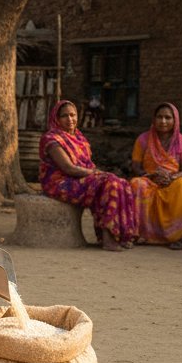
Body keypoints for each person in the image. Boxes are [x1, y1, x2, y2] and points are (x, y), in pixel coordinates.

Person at [39, 100, 138, 250]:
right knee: (109, 183)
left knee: (121, 183)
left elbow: (87, 165)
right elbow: (68, 168)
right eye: (64, 116)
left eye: (73, 115)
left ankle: (121, 235)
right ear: (56, 119)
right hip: (60, 182)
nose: (70, 119)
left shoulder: (80, 138)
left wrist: (97, 174)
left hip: (79, 178)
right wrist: (97, 173)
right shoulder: (52, 139)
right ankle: (107, 238)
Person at [129, 102, 182, 248]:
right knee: (136, 184)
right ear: (154, 119)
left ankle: (178, 236)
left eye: (167, 117)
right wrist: (150, 175)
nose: (163, 121)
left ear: (175, 120)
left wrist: (171, 177)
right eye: (159, 117)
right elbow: (135, 166)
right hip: (150, 178)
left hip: (173, 179)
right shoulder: (143, 139)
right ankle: (142, 234)